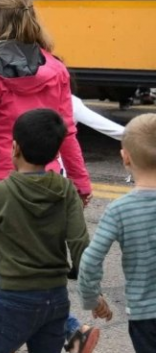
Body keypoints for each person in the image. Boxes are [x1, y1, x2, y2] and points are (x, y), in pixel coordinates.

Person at [0, 0, 96, 352]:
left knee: (12, 276)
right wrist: (80, 181)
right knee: (45, 267)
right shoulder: (55, 68)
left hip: (4, 184)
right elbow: (67, 131)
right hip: (50, 180)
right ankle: (68, 331)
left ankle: (61, 331)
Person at [0, 108, 90, 353]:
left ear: (15, 148)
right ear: (57, 153)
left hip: (14, 298)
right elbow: (79, 240)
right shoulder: (66, 190)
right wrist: (91, 286)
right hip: (56, 297)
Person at [78, 114, 156, 353]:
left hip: (145, 315)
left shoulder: (119, 210)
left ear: (125, 157)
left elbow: (90, 261)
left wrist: (92, 298)